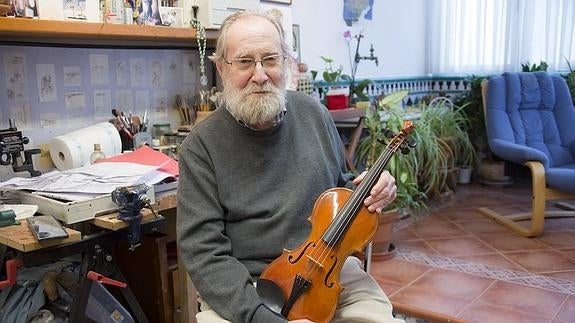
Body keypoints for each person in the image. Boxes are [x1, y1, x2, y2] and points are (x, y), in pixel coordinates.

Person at [177, 10, 404, 323]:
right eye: (245, 62)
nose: (260, 75)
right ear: (221, 68)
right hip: (249, 287)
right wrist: (259, 316)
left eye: (270, 59)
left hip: (331, 272)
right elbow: (203, 253)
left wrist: (374, 190)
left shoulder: (314, 114)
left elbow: (341, 189)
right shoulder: (200, 147)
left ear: (285, 62)